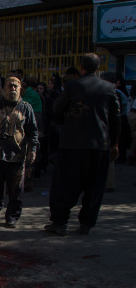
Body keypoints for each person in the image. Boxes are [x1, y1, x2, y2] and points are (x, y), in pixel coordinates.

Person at [45, 53, 120, 237]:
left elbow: (56, 109)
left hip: (72, 145)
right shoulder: (109, 88)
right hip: (99, 145)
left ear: (81, 67)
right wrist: (115, 143)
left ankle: (61, 222)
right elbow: (116, 118)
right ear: (98, 67)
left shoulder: (72, 87)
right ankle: (86, 223)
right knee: (94, 188)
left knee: (65, 185)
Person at [0, 76, 39, 228]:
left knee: (16, 187)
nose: (12, 89)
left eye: (15, 86)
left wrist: (33, 149)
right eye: (9, 86)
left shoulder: (26, 108)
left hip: (17, 154)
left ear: (20, 89)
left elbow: (33, 132)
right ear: (4, 89)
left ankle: (12, 215)